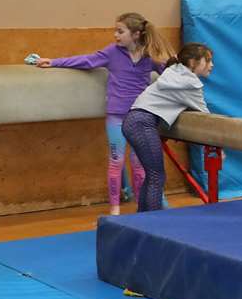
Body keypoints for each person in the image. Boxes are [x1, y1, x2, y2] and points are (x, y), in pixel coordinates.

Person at [32, 13, 171, 215]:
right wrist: (53, 61)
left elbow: (170, 73)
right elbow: (87, 60)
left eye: (120, 31)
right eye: (115, 30)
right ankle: (114, 210)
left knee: (139, 164)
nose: (115, 35)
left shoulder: (150, 56)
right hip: (116, 116)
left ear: (136, 34)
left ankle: (145, 210)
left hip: (140, 116)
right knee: (116, 162)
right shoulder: (112, 52)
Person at [123, 43, 213, 212]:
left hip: (133, 120)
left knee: (152, 176)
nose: (212, 64)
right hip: (142, 122)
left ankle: (143, 218)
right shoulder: (192, 85)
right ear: (193, 62)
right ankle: (153, 221)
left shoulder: (173, 72)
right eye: (207, 60)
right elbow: (207, 119)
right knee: (157, 176)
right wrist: (218, 145)